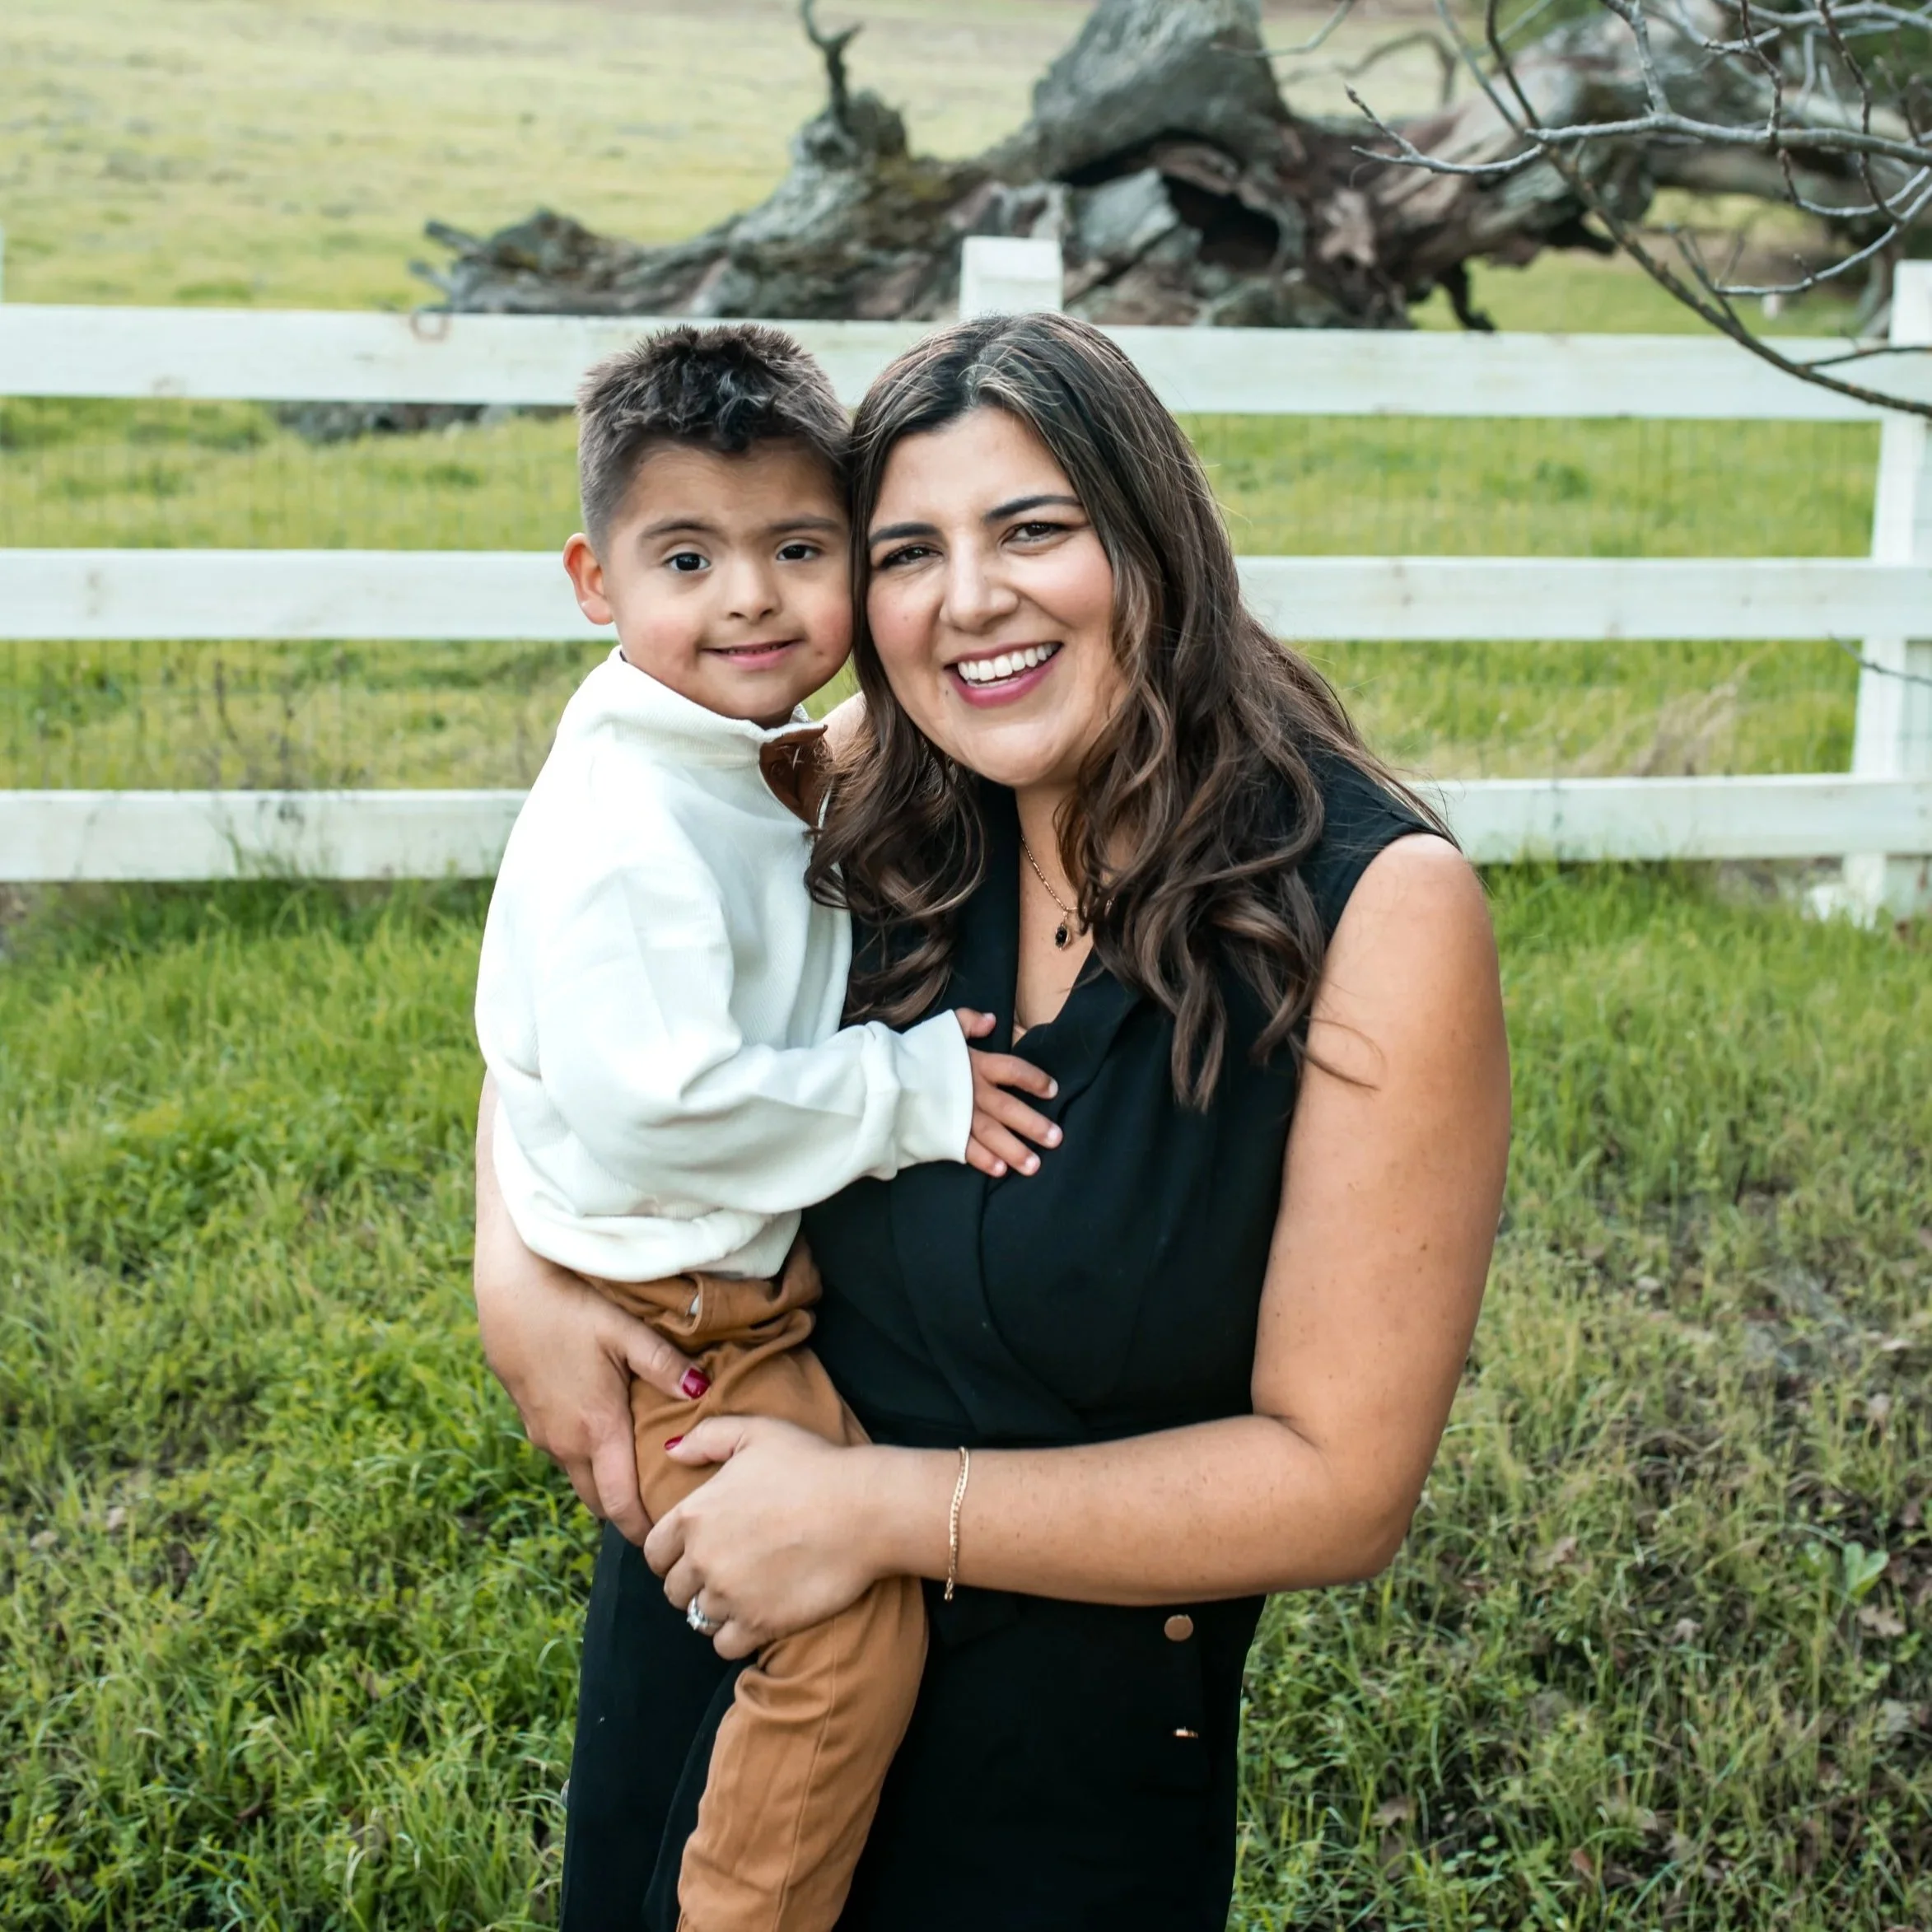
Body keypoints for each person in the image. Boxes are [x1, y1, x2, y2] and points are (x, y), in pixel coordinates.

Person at [474, 311, 1512, 1931]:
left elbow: (1340, 1485)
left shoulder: (1370, 909)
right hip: (728, 1643)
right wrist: (512, 1263)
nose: (971, 600)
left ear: (1153, 534)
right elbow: (585, 979)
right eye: (908, 550)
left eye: (1033, 528)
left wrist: (879, 1509)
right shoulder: (871, 795)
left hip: (1055, 1777)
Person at [474, 323, 1060, 1932]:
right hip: (687, 1324)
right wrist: (912, 1089)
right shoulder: (624, 831)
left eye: (797, 549)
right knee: (842, 1634)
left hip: (722, 1283)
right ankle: (744, 1909)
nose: (748, 598)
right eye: (689, 557)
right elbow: (665, 1106)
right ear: (595, 584)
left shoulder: (726, 755)